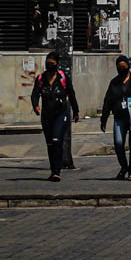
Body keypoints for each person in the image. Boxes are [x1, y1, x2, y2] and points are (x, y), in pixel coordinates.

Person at [31, 50, 79, 181]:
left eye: (52, 63)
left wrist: (76, 111)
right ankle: (53, 170)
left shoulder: (63, 78)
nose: (49, 65)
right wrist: (35, 106)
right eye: (47, 63)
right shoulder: (41, 79)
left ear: (57, 64)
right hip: (47, 115)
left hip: (61, 113)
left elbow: (71, 94)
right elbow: (35, 94)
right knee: (50, 144)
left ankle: (57, 171)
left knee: (57, 140)